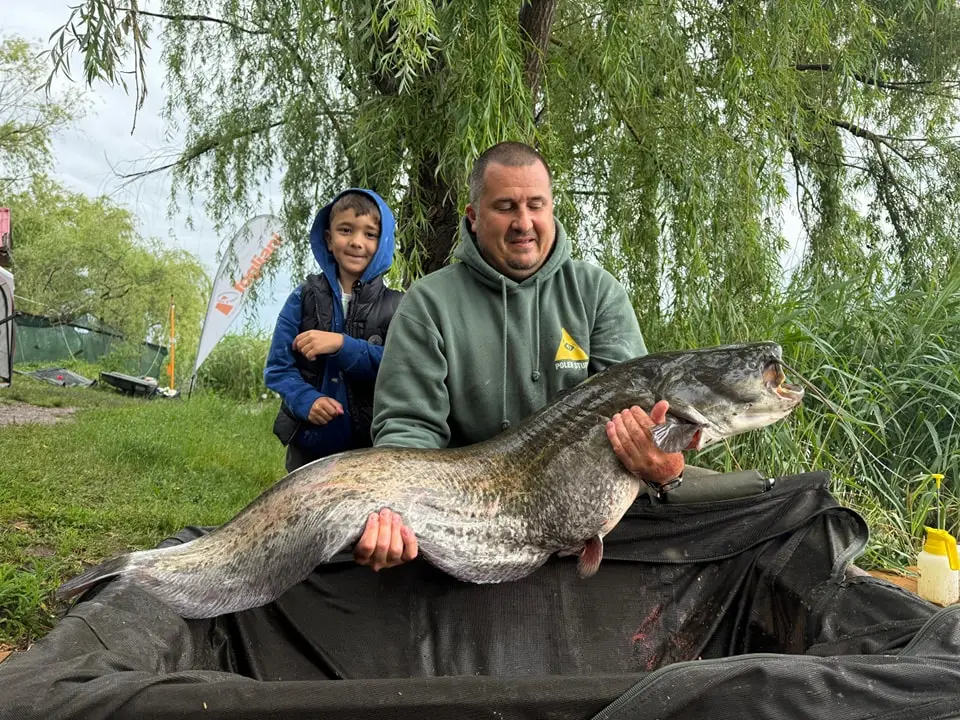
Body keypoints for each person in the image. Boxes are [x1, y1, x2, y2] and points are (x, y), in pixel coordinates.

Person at [349, 141, 690, 572]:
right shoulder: (427, 303)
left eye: (535, 205)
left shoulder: (598, 293)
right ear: (473, 218)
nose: (523, 222)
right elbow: (407, 428)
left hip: (583, 518)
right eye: (506, 206)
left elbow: (641, 414)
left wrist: (665, 469)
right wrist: (394, 510)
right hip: (466, 523)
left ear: (551, 209)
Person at [264, 188, 402, 473]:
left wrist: (342, 345)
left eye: (370, 234)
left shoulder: (399, 306)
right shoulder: (303, 298)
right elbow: (278, 368)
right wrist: (306, 401)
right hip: (309, 448)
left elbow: (400, 369)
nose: (356, 242)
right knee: (304, 514)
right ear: (328, 239)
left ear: (384, 241)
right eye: (346, 230)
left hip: (371, 450)